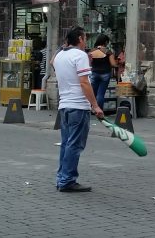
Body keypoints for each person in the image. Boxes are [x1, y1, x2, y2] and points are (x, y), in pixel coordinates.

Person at [54, 26, 104, 192]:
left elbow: (51, 61)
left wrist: (64, 45)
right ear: (81, 39)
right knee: (75, 145)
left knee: (66, 143)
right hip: (78, 106)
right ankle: (67, 180)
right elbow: (84, 82)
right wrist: (95, 105)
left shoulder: (60, 55)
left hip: (64, 105)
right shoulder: (80, 55)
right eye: (85, 38)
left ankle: (61, 177)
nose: (86, 41)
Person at [88, 34, 118, 109]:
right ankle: (99, 109)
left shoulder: (92, 51)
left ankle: (93, 108)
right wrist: (117, 64)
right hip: (105, 73)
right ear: (105, 42)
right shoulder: (108, 52)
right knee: (101, 94)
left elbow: (89, 63)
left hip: (94, 72)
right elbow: (113, 64)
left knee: (93, 93)